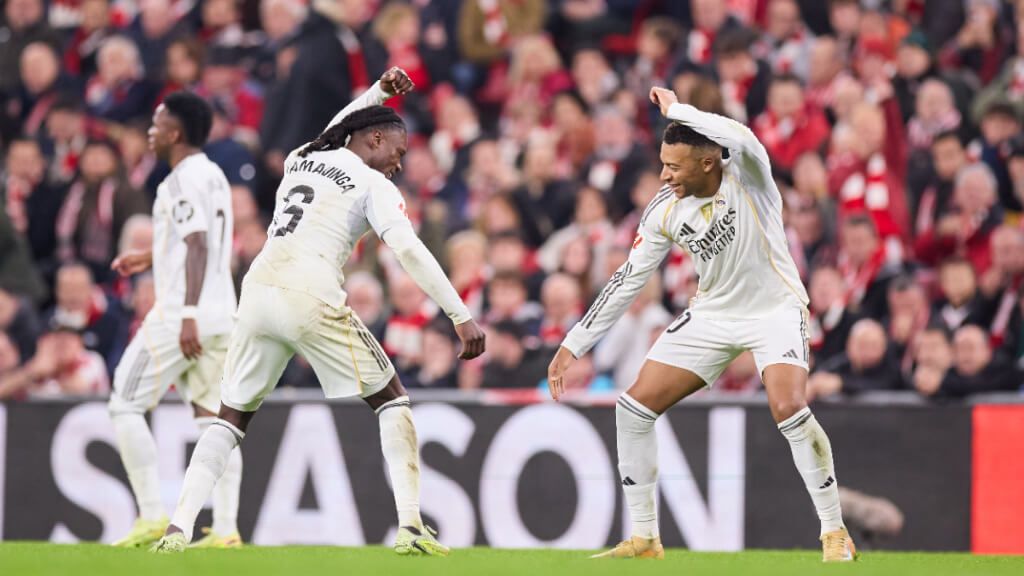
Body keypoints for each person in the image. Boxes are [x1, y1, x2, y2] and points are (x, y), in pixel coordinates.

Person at [153, 68, 485, 555]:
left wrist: (379, 91)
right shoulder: (374, 185)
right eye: (398, 150)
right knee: (392, 400)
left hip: (259, 288)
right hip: (310, 292)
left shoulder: (302, 158)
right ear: (374, 137)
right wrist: (460, 314)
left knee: (230, 417)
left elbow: (337, 127)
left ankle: (177, 529)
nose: (398, 162)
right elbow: (410, 251)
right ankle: (411, 526)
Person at [548, 87, 856, 561]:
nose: (664, 174)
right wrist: (574, 344)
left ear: (708, 162)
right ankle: (646, 538)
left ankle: (834, 532)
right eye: (663, 163)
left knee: (788, 407)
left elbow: (741, 135)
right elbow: (627, 280)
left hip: (775, 308)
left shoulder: (749, 173)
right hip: (713, 312)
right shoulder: (665, 208)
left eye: (674, 165)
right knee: (632, 408)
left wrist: (677, 110)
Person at [106, 91, 241, 549]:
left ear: (176, 133)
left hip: (186, 314)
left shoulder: (178, 181)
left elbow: (198, 243)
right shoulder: (215, 176)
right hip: (223, 313)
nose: (150, 129)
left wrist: (186, 315)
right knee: (213, 422)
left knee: (124, 403)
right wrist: (149, 256)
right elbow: (199, 240)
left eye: (158, 122)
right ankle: (226, 529)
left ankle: (149, 515)